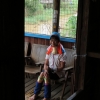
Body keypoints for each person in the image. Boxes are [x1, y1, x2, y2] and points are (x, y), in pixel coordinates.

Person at [29, 32, 67, 100]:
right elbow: (46, 63)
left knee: (45, 75)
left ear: (58, 42)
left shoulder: (62, 52)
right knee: (43, 73)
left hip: (58, 73)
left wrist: (52, 69)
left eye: (54, 40)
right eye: (51, 40)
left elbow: (62, 67)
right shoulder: (49, 50)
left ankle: (46, 97)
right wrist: (46, 69)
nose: (52, 42)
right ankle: (36, 95)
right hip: (49, 70)